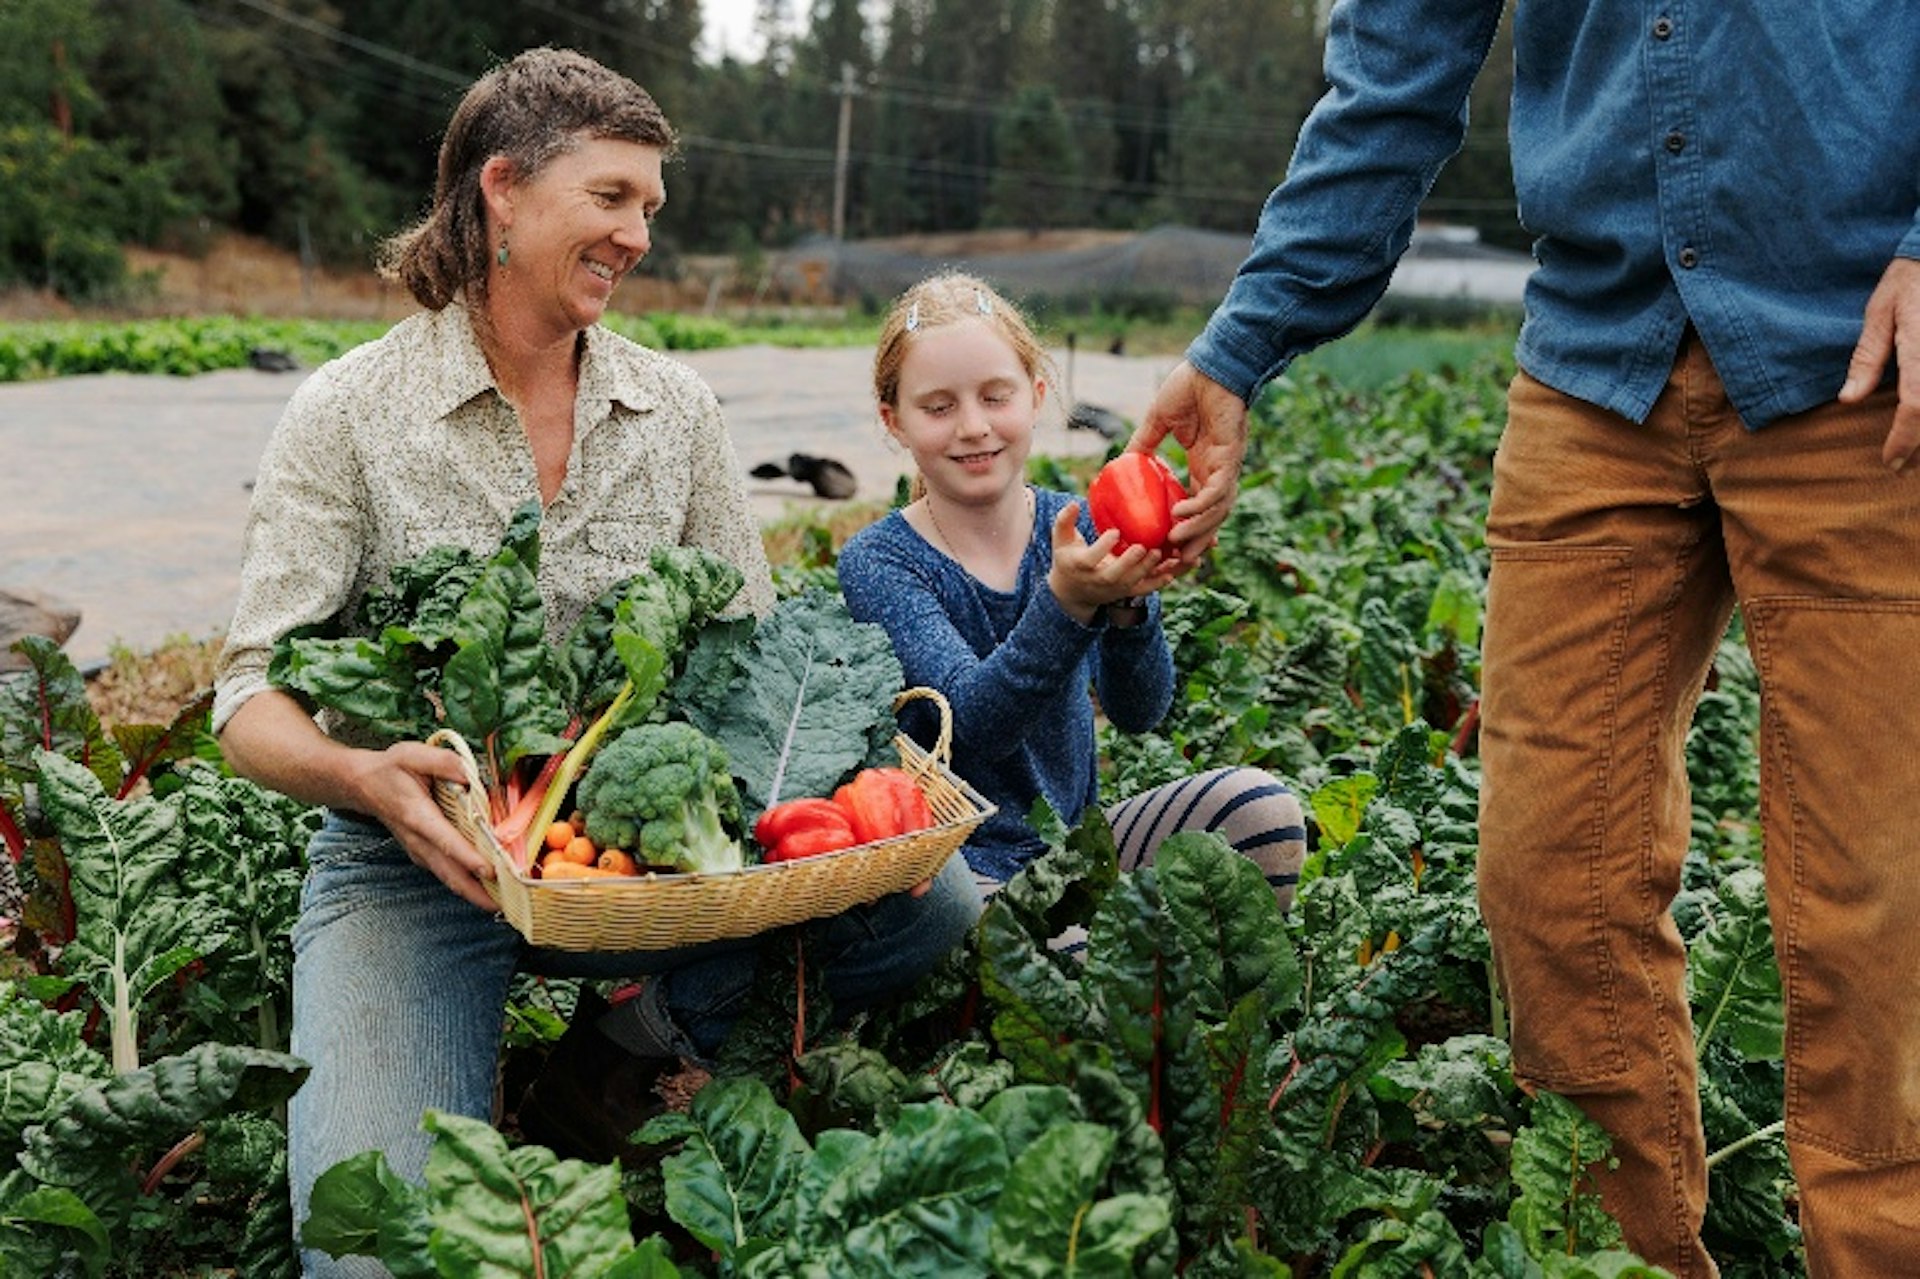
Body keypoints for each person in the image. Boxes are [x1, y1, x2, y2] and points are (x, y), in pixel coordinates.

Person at [1129, 5, 1920, 1274]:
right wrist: (1243, 343)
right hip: (1599, 360)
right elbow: (1392, 76)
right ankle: (1623, 1256)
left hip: (1867, 358)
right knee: (1553, 881)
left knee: (1875, 907)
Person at [210, 49, 980, 1277]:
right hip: (421, 861)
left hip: (636, 856)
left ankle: (621, 1051)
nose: (638, 235)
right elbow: (248, 697)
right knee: (370, 1253)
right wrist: (366, 780)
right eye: (611, 197)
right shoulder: (349, 412)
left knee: (931, 902)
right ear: (503, 191)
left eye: (650, 207)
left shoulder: (677, 411)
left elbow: (754, 648)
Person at [837, 272, 1308, 932]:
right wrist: (1066, 603)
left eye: (995, 396)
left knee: (1263, 811)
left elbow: (1141, 711)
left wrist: (1130, 607)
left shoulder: (1083, 523)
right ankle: (1113, 956)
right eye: (938, 407)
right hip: (960, 869)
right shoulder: (880, 561)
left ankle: (1126, 955)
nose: (973, 426)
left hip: (1075, 850)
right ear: (896, 422)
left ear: (1035, 396)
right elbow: (975, 726)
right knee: (1005, 927)